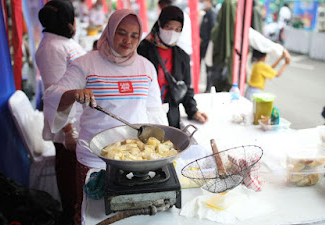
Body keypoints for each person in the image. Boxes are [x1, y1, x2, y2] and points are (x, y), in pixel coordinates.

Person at [42, 9, 166, 224]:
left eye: (135, 35)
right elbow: (51, 95)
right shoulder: (85, 64)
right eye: (121, 32)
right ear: (109, 31)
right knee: (91, 214)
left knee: (128, 216)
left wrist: (160, 149)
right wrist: (72, 94)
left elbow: (154, 111)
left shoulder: (146, 67)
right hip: (94, 157)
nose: (128, 40)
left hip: (134, 160)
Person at [35, 1, 86, 224]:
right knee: (70, 184)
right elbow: (55, 91)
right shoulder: (51, 48)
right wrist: (68, 130)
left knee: (77, 182)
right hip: (67, 127)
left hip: (77, 122)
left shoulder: (62, 42)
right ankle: (70, 218)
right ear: (67, 20)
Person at [137, 5, 208, 128]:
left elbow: (185, 88)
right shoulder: (142, 50)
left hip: (170, 116)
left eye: (177, 29)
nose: (172, 32)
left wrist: (194, 111)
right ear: (160, 24)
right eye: (168, 27)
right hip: (142, 114)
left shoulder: (182, 56)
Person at [199, 0, 216, 93]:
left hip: (207, 45)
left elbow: (212, 30)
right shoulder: (205, 14)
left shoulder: (212, 14)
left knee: (208, 67)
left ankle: (208, 88)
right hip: (202, 45)